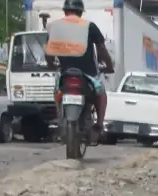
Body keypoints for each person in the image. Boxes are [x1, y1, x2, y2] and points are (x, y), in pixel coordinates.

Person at [44, 0, 114, 132]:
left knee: (57, 91)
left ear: (65, 11)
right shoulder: (89, 26)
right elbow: (101, 49)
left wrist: (50, 64)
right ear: (81, 12)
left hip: (64, 73)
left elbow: (48, 51)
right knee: (101, 93)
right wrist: (109, 66)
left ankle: (60, 117)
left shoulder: (55, 27)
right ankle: (99, 124)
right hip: (88, 74)